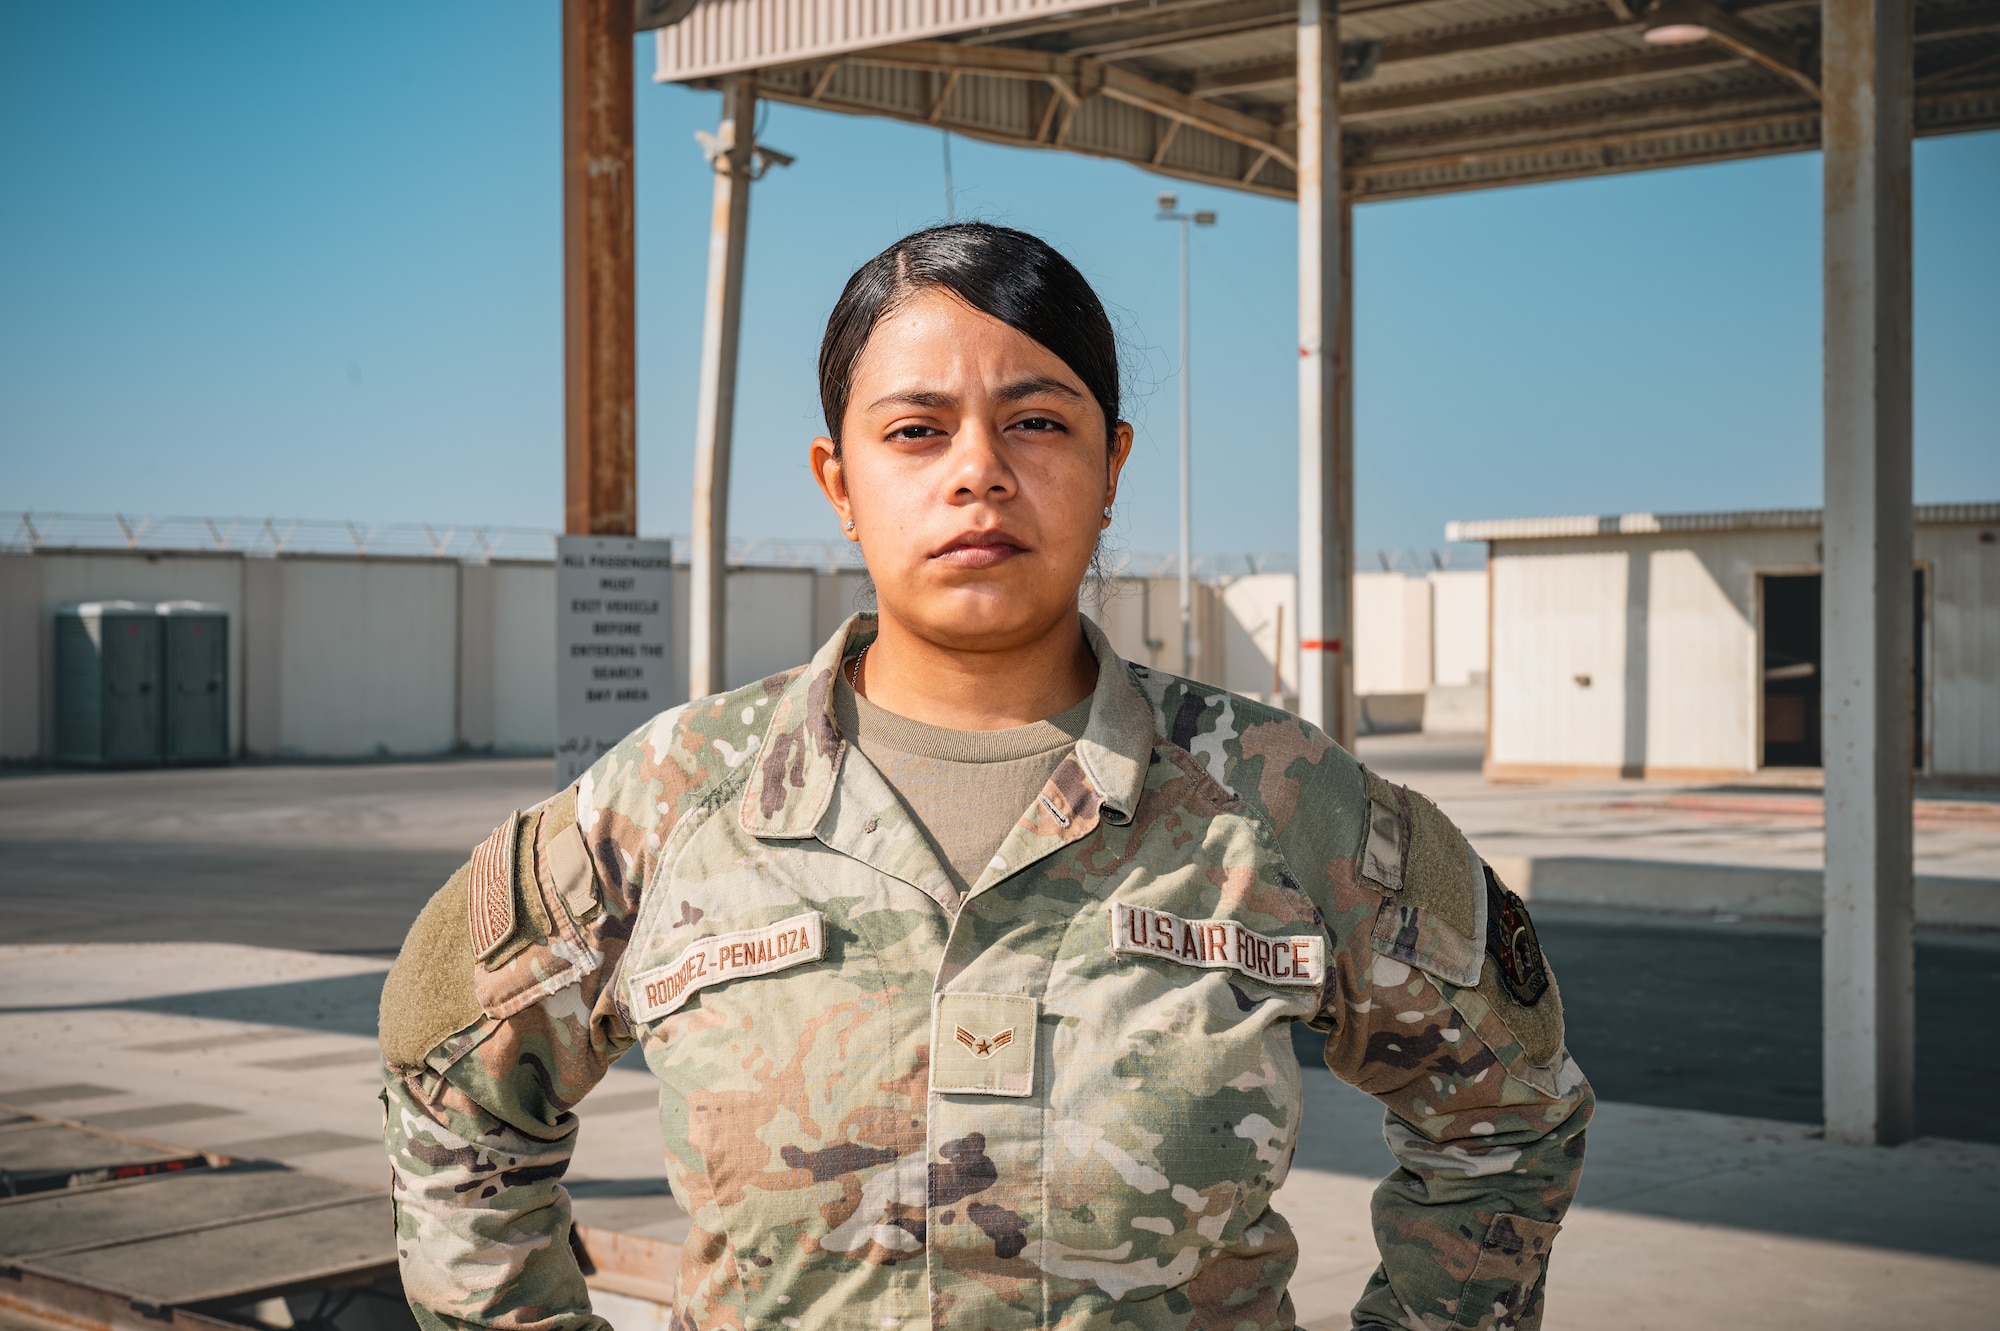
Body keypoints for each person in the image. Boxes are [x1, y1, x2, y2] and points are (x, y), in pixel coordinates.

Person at [378, 222, 1591, 1331]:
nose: (978, 472)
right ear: (838, 482)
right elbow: (450, 1083)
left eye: (1037, 421)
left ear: (1112, 466)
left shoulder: (1277, 800)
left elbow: (1509, 1110)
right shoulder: (670, 800)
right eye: (914, 429)